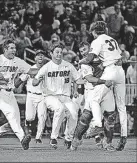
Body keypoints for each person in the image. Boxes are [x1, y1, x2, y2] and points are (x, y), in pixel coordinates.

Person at [79, 21, 128, 151]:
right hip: (120, 72)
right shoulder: (113, 39)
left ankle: (97, 124)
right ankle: (123, 137)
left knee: (94, 99)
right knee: (122, 106)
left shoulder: (97, 41)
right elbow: (121, 57)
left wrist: (80, 61)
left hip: (110, 71)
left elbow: (89, 58)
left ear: (94, 31)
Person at [32, 43, 80, 149]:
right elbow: (35, 81)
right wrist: (36, 81)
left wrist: (75, 89)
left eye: (60, 52)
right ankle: (53, 137)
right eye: (56, 52)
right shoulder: (46, 67)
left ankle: (68, 138)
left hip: (66, 96)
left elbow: (77, 79)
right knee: (59, 108)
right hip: (50, 96)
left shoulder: (68, 65)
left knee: (74, 113)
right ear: (51, 53)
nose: (59, 54)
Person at [70, 41, 116, 151]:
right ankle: (76, 140)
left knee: (110, 117)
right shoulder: (84, 64)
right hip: (92, 92)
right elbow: (87, 79)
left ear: (91, 48)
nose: (83, 53)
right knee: (85, 118)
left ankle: (108, 143)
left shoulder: (102, 56)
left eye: (85, 50)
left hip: (106, 90)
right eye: (81, 51)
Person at [15, 50, 47, 143]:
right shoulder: (30, 69)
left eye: (42, 55)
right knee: (30, 117)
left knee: (42, 116)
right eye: (38, 55)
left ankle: (38, 137)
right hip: (31, 95)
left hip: (43, 96)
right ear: (35, 58)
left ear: (44, 58)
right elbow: (18, 82)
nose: (40, 57)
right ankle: (27, 131)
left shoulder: (47, 69)